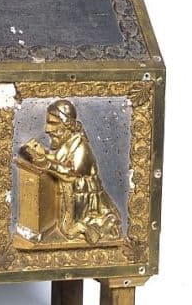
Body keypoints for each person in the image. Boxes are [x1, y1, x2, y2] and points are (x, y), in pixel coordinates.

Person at [20, 99, 121, 245]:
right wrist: (39, 153)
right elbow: (58, 159)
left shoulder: (81, 146)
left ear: (67, 124)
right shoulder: (67, 144)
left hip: (84, 208)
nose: (47, 129)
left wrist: (45, 162)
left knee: (75, 230)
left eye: (53, 123)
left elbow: (71, 174)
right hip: (69, 202)